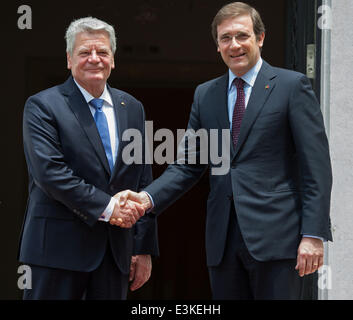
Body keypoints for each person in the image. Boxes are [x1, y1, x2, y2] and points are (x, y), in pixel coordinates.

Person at [115, 2, 332, 299]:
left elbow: (316, 167)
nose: (234, 45)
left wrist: (313, 234)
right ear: (217, 45)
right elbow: (188, 164)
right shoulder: (206, 95)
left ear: (260, 38)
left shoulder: (292, 87)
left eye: (242, 36)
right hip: (223, 240)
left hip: (278, 240)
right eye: (225, 38)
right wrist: (146, 198)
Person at [18, 17, 159, 300]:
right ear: (69, 60)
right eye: (85, 52)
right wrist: (108, 207)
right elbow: (49, 173)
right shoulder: (43, 105)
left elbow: (143, 178)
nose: (94, 59)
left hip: (114, 253)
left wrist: (142, 247)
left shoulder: (132, 108)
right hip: (56, 253)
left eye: (102, 52)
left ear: (113, 59)